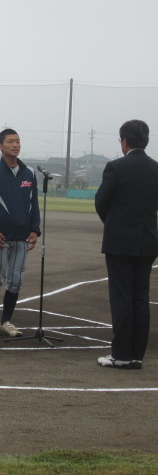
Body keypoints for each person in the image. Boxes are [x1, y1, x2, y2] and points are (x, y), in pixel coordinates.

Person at [95, 120, 158, 369]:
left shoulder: (116, 167)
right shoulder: (155, 168)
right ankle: (136, 355)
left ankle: (120, 354)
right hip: (148, 242)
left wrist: (113, 223)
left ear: (124, 141)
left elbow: (101, 201)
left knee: (121, 298)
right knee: (140, 299)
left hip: (120, 242)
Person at [0, 128, 40, 337]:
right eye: (10, 141)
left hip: (22, 236)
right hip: (0, 237)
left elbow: (34, 204)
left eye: (18, 141)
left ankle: (6, 321)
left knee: (16, 281)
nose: (15, 145)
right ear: (0, 146)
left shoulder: (29, 173)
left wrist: (35, 229)